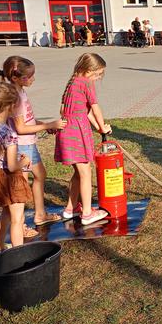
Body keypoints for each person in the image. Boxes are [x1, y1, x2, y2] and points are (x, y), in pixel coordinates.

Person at [0, 57, 66, 243]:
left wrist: (44, 124)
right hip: (21, 145)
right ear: (17, 78)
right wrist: (49, 125)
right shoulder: (15, 97)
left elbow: (28, 121)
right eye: (29, 76)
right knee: (20, 190)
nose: (33, 78)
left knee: (41, 175)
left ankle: (40, 214)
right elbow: (20, 128)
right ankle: (19, 226)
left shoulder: (21, 91)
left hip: (29, 142)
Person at [55, 54, 111, 226]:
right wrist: (102, 126)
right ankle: (87, 214)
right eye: (98, 74)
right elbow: (95, 108)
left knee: (79, 173)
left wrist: (98, 127)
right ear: (88, 70)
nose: (99, 77)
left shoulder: (73, 81)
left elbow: (84, 111)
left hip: (68, 131)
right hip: (76, 133)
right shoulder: (85, 82)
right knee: (86, 172)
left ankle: (70, 208)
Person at [0, 83, 33, 249]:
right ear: (10, 107)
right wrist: (23, 162)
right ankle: (18, 254)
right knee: (17, 219)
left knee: (5, 213)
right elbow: (11, 167)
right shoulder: (8, 134)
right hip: (10, 180)